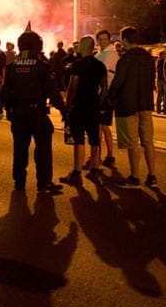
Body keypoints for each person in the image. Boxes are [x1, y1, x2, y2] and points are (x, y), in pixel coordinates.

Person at [1, 25, 65, 194]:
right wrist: (64, 110)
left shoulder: (12, 67)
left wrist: (8, 110)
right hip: (37, 113)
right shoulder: (42, 66)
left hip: (18, 113)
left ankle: (19, 183)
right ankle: (43, 184)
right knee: (43, 150)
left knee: (20, 149)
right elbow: (53, 93)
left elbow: (5, 92)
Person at [108, 26, 158, 189]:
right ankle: (152, 176)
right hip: (146, 104)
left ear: (123, 40)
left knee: (132, 143)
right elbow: (152, 80)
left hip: (128, 105)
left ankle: (134, 177)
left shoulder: (125, 60)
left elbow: (117, 83)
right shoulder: (149, 59)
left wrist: (110, 98)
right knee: (148, 141)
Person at [60, 36, 107, 187]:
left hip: (79, 107)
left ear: (81, 47)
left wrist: (67, 106)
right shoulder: (100, 65)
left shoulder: (77, 65)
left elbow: (73, 87)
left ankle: (76, 172)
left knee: (79, 139)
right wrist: (98, 102)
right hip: (93, 106)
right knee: (94, 139)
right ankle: (95, 170)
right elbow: (104, 88)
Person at [94, 29, 119, 168]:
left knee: (101, 127)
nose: (103, 41)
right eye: (100, 39)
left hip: (104, 95)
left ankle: (102, 156)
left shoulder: (110, 53)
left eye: (105, 39)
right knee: (101, 127)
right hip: (99, 94)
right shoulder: (100, 54)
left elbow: (101, 71)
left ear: (109, 40)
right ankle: (104, 155)